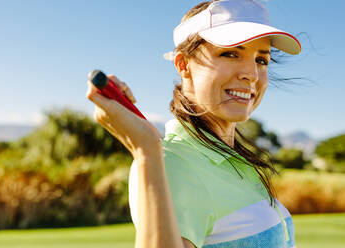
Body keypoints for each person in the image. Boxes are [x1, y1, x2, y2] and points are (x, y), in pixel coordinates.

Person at [86, 0, 301, 247]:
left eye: (261, 60)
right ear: (183, 65)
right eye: (230, 53)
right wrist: (146, 152)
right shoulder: (172, 164)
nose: (251, 74)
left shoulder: (234, 160)